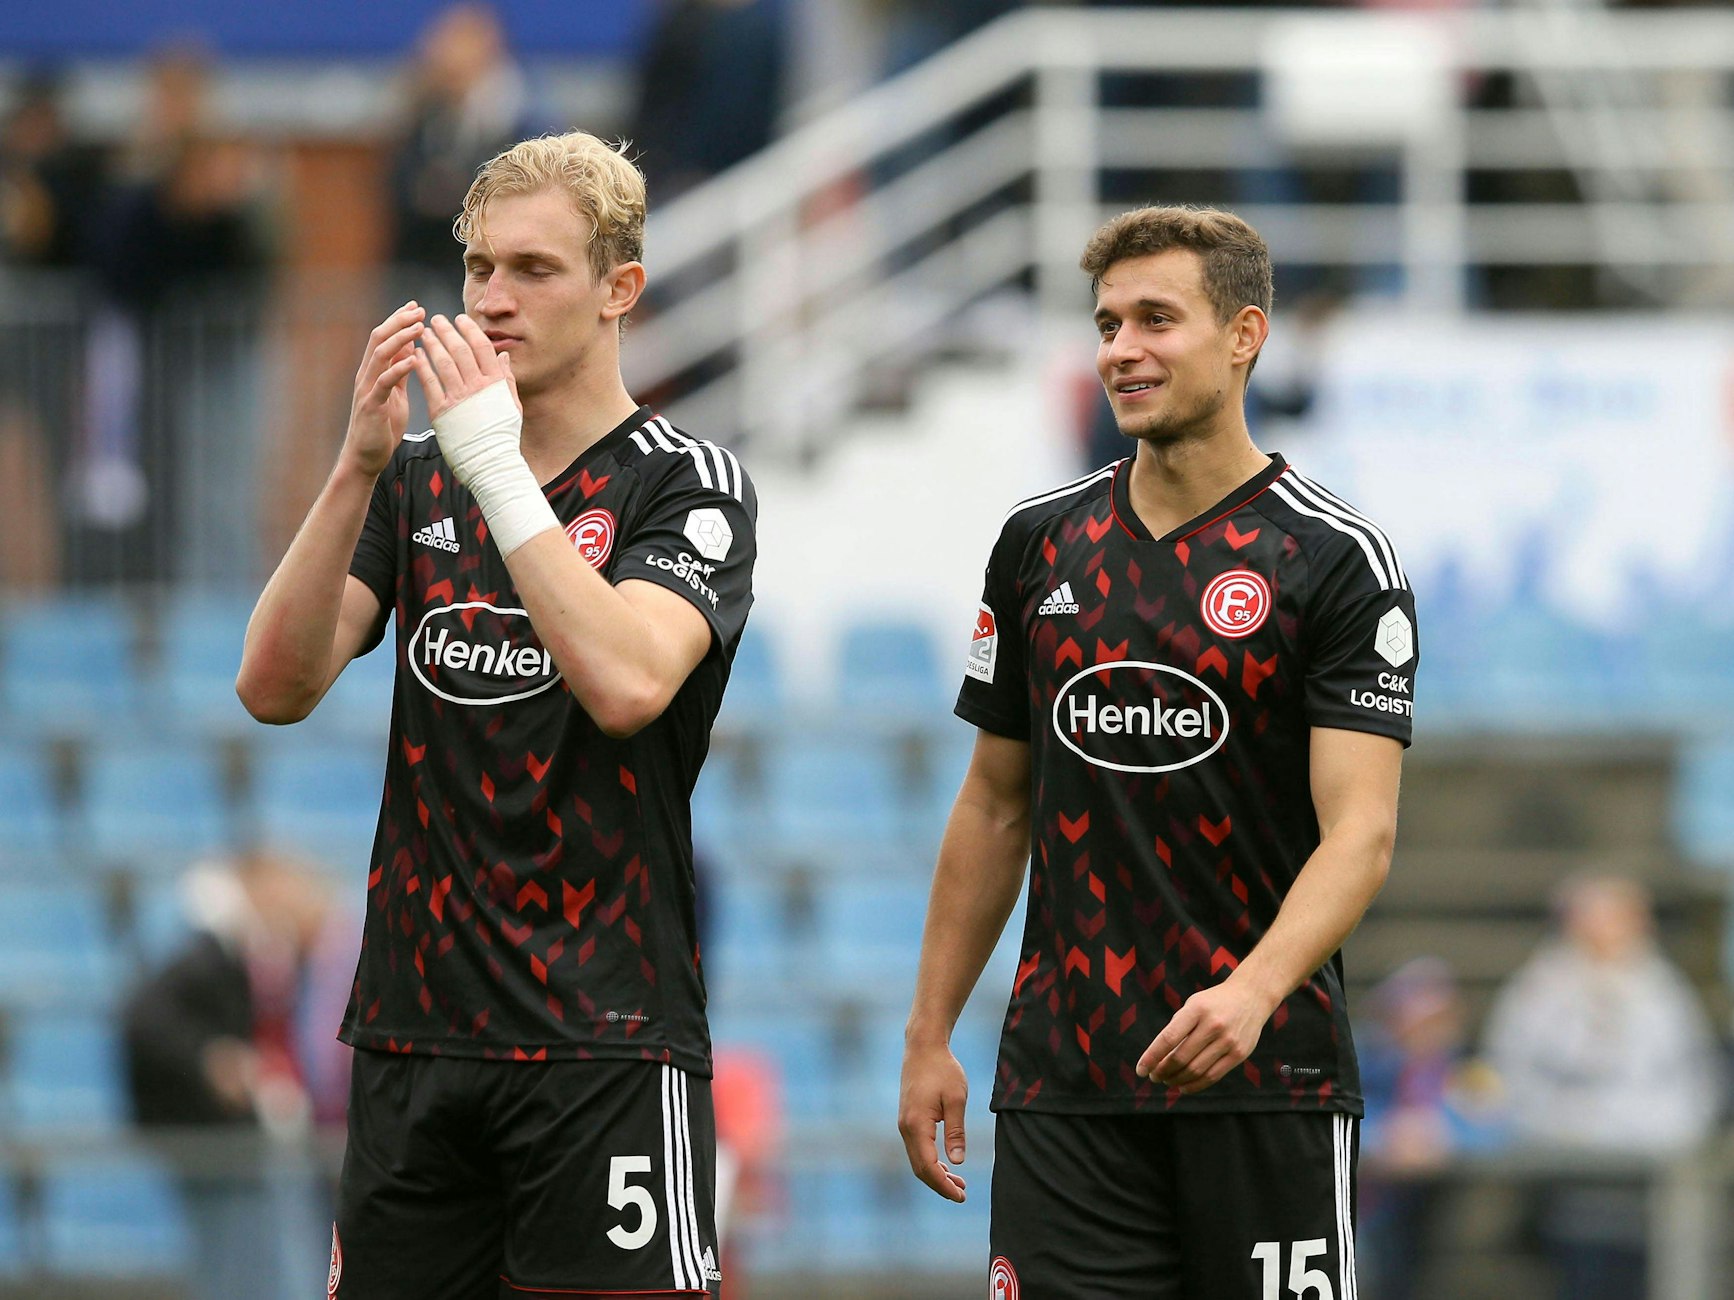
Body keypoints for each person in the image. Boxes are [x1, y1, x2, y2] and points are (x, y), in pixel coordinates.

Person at [236, 130, 757, 1299]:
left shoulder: (685, 483)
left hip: (605, 1038)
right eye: (478, 268)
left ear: (620, 289)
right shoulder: (421, 477)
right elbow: (274, 686)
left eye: (534, 269)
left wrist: (495, 466)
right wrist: (357, 467)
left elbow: (627, 684)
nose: (491, 298)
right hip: (413, 1035)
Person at [898, 204, 1416, 1296]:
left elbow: (1360, 832)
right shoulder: (1038, 545)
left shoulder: (1333, 560)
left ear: (1245, 334)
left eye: (1155, 320)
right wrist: (930, 1031)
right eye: (1107, 324)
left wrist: (1252, 990)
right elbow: (993, 804)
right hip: (1064, 1087)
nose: (1122, 350)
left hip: (1263, 1081)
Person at [1483, 873, 1720, 1300]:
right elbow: (1506, 1076)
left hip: (1646, 1185)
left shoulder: (1664, 991)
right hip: (1562, 1183)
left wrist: (1651, 1133)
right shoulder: (1537, 988)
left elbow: (1695, 1081)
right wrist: (1567, 1127)